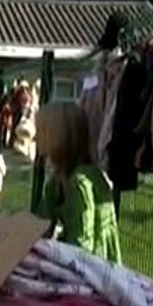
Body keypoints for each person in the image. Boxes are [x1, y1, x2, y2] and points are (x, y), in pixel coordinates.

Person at [35, 100, 121, 262]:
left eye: (41, 131)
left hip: (97, 269)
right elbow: (41, 225)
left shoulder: (81, 183)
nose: (34, 137)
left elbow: (82, 244)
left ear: (57, 136)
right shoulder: (58, 180)